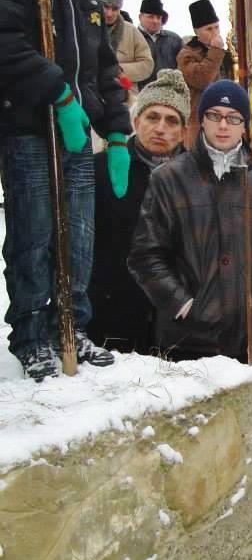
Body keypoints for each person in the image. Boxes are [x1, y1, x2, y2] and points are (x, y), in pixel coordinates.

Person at [0, 0, 130, 381]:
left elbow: (105, 69)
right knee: (35, 234)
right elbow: (6, 42)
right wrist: (57, 91)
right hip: (29, 126)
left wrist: (117, 133)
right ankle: (33, 334)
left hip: (78, 132)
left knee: (78, 235)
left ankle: (72, 326)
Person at [127, 80, 252, 362]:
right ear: (202, 121)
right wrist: (183, 304)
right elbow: (146, 254)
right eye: (214, 115)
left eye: (233, 118)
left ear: (244, 125)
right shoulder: (169, 178)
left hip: (248, 339)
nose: (223, 125)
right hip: (186, 339)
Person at [89, 70, 189, 354]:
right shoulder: (101, 169)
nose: (160, 128)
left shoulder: (198, 180)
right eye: (152, 117)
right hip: (111, 315)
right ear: (135, 121)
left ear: (183, 131)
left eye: (171, 120)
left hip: (176, 320)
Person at [177, 0, 233, 148]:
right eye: (209, 29)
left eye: (216, 27)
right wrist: (215, 51)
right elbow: (202, 79)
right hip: (198, 122)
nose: (214, 33)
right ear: (197, 32)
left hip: (224, 117)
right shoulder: (187, 55)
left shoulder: (224, 54)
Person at [95, 0, 154, 92]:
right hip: (93, 94)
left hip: (125, 97)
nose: (109, 13)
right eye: (106, 7)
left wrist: (118, 70)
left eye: (115, 8)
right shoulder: (87, 28)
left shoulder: (131, 31)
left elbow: (147, 64)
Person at [137, 0, 183, 89]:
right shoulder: (133, 37)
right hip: (140, 94)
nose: (155, 21)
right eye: (151, 17)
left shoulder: (174, 40)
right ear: (140, 17)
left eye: (158, 17)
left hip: (169, 94)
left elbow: (182, 69)